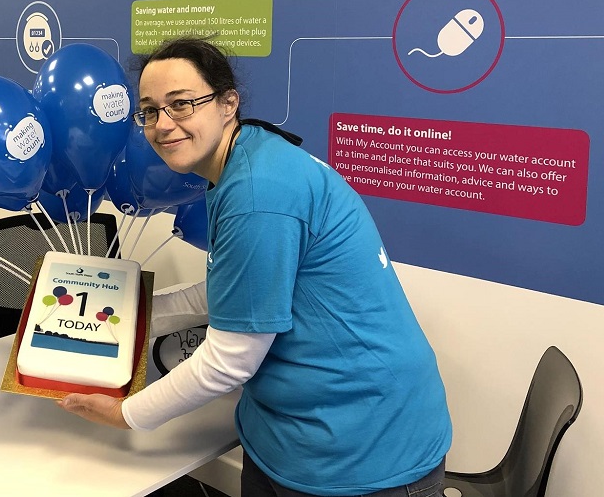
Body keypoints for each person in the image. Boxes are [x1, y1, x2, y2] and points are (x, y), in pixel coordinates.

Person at [58, 36, 452, 497]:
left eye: (181, 105)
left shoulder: (258, 193)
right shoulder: (246, 158)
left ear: (228, 104)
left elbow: (228, 362)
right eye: (149, 110)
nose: (162, 125)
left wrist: (125, 414)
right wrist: (130, 316)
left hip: (359, 450)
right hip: (286, 439)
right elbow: (237, 292)